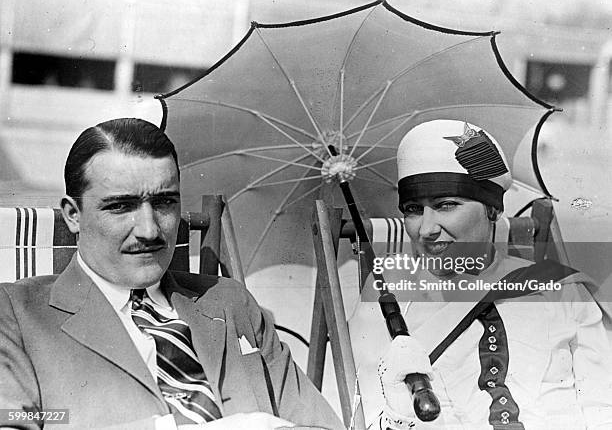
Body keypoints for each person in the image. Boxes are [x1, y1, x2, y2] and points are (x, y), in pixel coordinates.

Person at [0, 118, 343, 430]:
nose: (149, 230)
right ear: (74, 215)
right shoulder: (17, 314)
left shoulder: (229, 300)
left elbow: (321, 425)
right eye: (121, 206)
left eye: (164, 203)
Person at [348, 119, 612, 429]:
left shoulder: (559, 288)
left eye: (446, 205)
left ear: (493, 211)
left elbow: (602, 405)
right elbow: (366, 417)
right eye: (413, 209)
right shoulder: (387, 292)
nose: (427, 229)